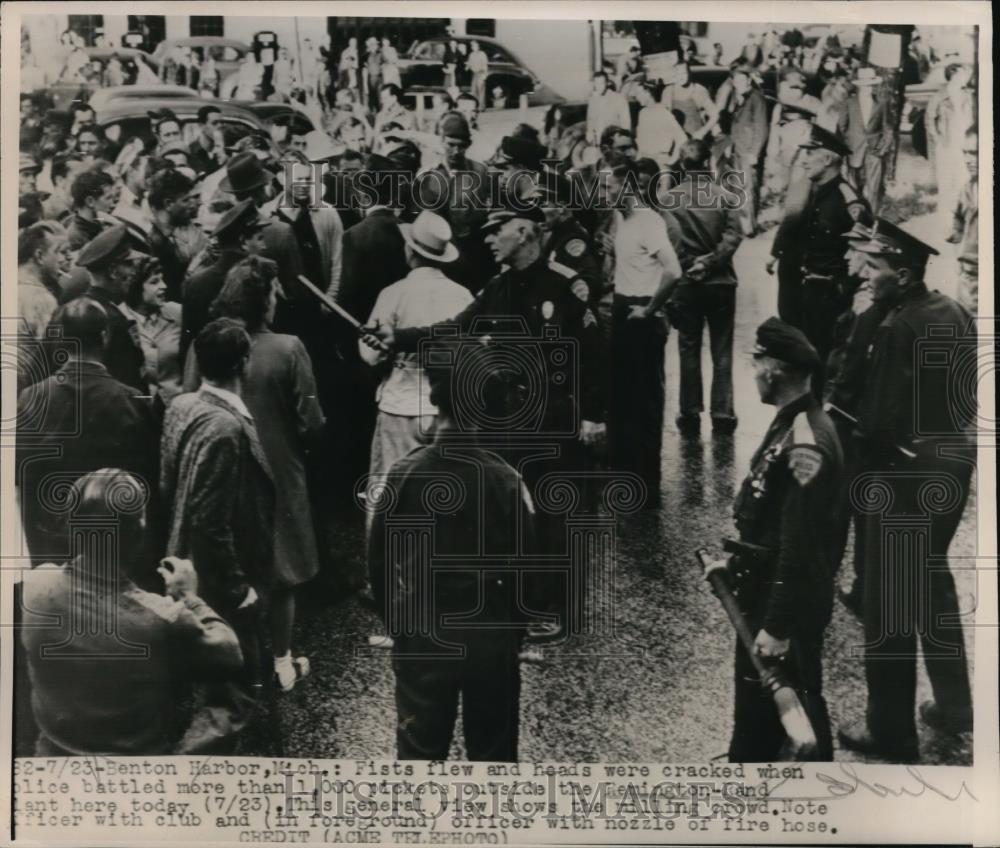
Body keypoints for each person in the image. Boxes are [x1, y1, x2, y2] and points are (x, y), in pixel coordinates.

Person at [837, 220, 974, 762]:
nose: (866, 276)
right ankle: (955, 706)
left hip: (903, 471)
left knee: (889, 604)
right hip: (952, 460)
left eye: (875, 268)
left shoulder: (896, 328)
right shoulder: (951, 311)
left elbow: (876, 422)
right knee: (933, 584)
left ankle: (891, 733)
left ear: (904, 273)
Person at [369, 339, 536, 761]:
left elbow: (380, 561)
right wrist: (515, 631)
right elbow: (527, 569)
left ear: (434, 398)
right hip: (491, 632)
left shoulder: (404, 474)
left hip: (424, 629)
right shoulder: (506, 480)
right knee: (494, 751)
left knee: (419, 751)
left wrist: (398, 623)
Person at [21, 469, 242, 756]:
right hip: (135, 772)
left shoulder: (35, 587)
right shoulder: (162, 618)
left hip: (54, 760)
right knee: (231, 702)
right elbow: (230, 655)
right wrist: (189, 598)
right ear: (139, 532)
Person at [720, 317, 842, 761]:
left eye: (756, 364)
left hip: (783, 601)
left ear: (772, 369)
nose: (753, 373)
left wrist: (777, 625)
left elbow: (801, 545)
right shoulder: (792, 421)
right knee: (768, 706)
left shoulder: (805, 443)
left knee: (790, 707)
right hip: (765, 588)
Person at [207, 257, 325, 692]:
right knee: (283, 572)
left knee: (234, 563)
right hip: (280, 466)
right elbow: (311, 418)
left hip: (224, 467)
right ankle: (281, 659)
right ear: (263, 300)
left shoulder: (207, 343)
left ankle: (240, 659)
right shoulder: (289, 348)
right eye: (274, 293)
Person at [160, 318, 275, 751]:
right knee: (232, 693)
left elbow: (168, 482)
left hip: (181, 560)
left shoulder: (183, 405)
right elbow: (212, 520)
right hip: (217, 580)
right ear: (244, 363)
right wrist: (239, 588)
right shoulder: (227, 428)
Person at [16, 298, 157, 565]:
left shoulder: (31, 397)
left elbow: (22, 476)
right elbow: (145, 480)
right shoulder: (132, 400)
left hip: (51, 545)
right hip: (114, 548)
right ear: (104, 337)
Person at [359, 211, 474, 517]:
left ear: (410, 251)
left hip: (400, 406)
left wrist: (380, 350)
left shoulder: (393, 294)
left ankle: (388, 559)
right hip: (445, 409)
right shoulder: (463, 297)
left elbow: (370, 355)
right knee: (443, 495)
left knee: (389, 492)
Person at [604, 160, 682, 507]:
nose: (605, 194)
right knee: (622, 397)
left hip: (640, 313)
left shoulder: (649, 221)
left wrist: (649, 310)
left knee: (646, 399)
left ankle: (647, 488)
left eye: (611, 187)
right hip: (623, 308)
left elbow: (673, 271)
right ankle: (625, 480)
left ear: (630, 188)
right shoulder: (623, 220)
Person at [767, 124, 869, 371]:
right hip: (795, 292)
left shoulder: (848, 199)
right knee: (796, 362)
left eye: (809, 154)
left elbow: (866, 250)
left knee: (820, 363)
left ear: (826, 159)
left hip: (824, 297)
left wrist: (846, 289)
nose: (804, 161)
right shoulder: (804, 191)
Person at [662, 139, 743, 436]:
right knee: (722, 349)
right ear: (709, 163)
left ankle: (690, 410)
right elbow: (735, 236)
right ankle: (723, 412)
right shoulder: (725, 196)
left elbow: (668, 241)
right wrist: (710, 262)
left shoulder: (669, 199)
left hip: (686, 284)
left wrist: (689, 263)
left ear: (682, 165)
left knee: (688, 347)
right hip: (721, 282)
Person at [182, 199, 269, 360]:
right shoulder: (260, 280)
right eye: (260, 238)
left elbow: (187, 347)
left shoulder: (195, 283)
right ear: (243, 242)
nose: (264, 246)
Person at [74, 225, 150, 391]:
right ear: (113, 271)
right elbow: (131, 385)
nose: (134, 272)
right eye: (129, 265)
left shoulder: (68, 311)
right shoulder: (115, 321)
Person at [713, 60, 769, 236]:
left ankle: (748, 228)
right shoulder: (739, 98)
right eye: (735, 81)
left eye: (741, 80)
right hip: (739, 149)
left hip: (748, 151)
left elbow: (761, 127)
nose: (737, 84)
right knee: (739, 187)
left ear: (748, 81)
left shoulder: (756, 98)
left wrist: (755, 152)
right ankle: (742, 225)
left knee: (748, 189)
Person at [119, 259, 182, 406]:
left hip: (176, 407)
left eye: (163, 280)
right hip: (138, 410)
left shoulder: (177, 313)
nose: (164, 286)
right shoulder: (119, 319)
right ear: (135, 288)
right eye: (154, 282)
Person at [839, 67, 893, 215]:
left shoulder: (881, 103)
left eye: (870, 85)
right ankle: (855, 216)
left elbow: (888, 128)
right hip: (854, 150)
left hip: (874, 150)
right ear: (859, 86)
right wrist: (847, 147)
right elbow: (842, 127)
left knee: (873, 187)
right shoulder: (849, 103)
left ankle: (872, 219)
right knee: (854, 186)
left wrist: (882, 149)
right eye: (865, 85)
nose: (868, 88)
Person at [147, 168, 201, 302]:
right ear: (168, 204)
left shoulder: (168, 234)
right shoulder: (156, 243)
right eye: (185, 200)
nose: (192, 205)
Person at [946, 125, 978, 313]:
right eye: (965, 153)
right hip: (968, 277)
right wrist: (955, 234)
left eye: (974, 153)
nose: (968, 160)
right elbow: (957, 223)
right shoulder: (966, 190)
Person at [635, 80, 687, 170]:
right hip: (644, 162)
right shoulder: (642, 113)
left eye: (639, 93)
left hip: (660, 161)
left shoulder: (663, 112)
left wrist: (672, 161)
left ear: (648, 93)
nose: (636, 97)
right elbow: (641, 140)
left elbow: (682, 138)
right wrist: (638, 159)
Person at [661, 61, 718, 139]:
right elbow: (664, 117)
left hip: (694, 139)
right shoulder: (669, 91)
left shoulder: (698, 89)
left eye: (684, 73)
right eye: (678, 74)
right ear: (674, 75)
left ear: (689, 73)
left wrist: (702, 132)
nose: (681, 77)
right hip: (676, 139)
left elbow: (715, 115)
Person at [64, 169, 118, 250]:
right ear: (90, 201)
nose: (113, 203)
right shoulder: (76, 239)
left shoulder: (100, 221)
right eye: (108, 198)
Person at [586, 71, 632, 146]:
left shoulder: (618, 98)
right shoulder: (593, 101)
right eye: (596, 84)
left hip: (614, 142)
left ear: (607, 83)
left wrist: (622, 141)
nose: (599, 87)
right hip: (598, 142)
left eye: (601, 83)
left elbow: (626, 122)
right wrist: (589, 134)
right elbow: (590, 120)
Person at [188, 105, 226, 176]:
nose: (220, 126)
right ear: (201, 126)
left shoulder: (226, 149)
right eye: (214, 123)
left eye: (222, 122)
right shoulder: (191, 152)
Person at [467, 40, 489, 109]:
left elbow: (485, 65)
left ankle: (481, 107)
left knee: (481, 90)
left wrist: (484, 75)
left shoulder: (482, 54)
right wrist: (468, 67)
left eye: (475, 45)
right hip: (474, 74)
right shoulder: (471, 54)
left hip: (481, 73)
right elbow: (469, 64)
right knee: (473, 90)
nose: (473, 47)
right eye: (472, 46)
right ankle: (475, 107)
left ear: (478, 46)